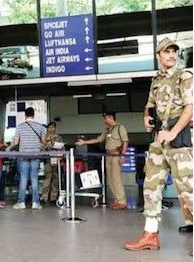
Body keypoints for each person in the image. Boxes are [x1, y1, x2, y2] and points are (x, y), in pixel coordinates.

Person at [123, 38, 193, 253]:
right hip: (158, 140)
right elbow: (149, 106)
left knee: (188, 189)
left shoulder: (185, 76)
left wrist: (173, 132)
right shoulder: (156, 80)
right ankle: (150, 234)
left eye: (174, 52)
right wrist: (146, 118)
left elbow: (190, 107)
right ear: (158, 56)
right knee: (151, 187)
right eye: (167, 52)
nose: (172, 55)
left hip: (179, 141)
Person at [75, 111, 129, 210]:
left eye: (105, 118)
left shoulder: (120, 127)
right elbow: (98, 139)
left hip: (116, 154)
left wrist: (122, 155)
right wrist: (84, 142)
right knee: (111, 179)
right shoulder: (108, 130)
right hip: (108, 155)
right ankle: (117, 200)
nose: (104, 120)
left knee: (116, 178)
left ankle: (122, 201)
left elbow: (125, 141)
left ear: (111, 117)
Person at [13, 107, 46, 210]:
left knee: (23, 178)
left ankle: (21, 202)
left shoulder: (20, 127)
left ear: (25, 115)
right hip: (35, 155)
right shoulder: (41, 127)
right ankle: (35, 203)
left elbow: (16, 143)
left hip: (23, 156)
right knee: (34, 178)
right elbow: (44, 142)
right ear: (34, 115)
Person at [41, 121, 64, 204]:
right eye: (49, 127)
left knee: (55, 179)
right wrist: (45, 147)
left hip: (57, 160)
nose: (51, 129)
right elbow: (41, 149)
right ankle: (44, 197)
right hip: (48, 160)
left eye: (53, 127)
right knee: (47, 179)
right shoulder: (44, 137)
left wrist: (61, 159)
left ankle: (53, 197)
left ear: (55, 128)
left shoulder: (59, 137)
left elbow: (62, 149)